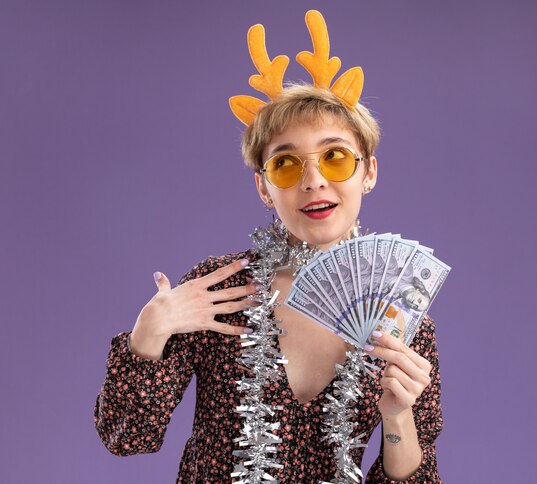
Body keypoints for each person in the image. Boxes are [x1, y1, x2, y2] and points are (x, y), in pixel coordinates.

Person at [94, 10, 443, 483]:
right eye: (285, 164)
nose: (313, 180)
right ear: (264, 188)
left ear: (369, 172)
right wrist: (148, 334)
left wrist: (399, 417)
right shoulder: (221, 289)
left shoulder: (401, 315)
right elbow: (125, 437)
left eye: (335, 157)